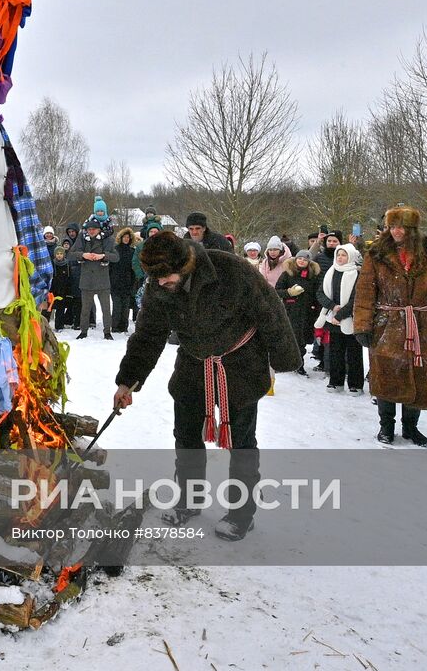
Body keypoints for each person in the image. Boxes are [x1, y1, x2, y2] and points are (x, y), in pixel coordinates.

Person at [113, 230, 302, 541]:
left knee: (241, 444)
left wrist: (283, 358)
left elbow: (270, 310)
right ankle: (189, 500)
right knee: (185, 436)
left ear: (185, 264)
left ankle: (242, 514)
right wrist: (127, 382)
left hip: (239, 364)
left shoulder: (230, 269)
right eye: (155, 278)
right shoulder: (158, 285)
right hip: (193, 362)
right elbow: (148, 335)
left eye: (166, 277)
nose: (161, 284)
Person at [353, 206, 427, 447]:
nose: (395, 231)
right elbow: (365, 291)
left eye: (400, 226)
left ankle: (411, 427)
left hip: (423, 327)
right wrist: (362, 325)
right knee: (387, 375)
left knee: (419, 377)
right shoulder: (376, 253)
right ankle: (386, 426)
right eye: (392, 226)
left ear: (412, 229)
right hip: (386, 326)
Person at [316, 244, 365, 393]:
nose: (340, 258)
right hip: (333, 318)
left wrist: (340, 314)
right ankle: (335, 381)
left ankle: (355, 384)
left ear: (350, 256)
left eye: (344, 255)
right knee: (335, 352)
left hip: (350, 318)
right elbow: (320, 293)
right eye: (339, 255)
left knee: (353, 353)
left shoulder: (356, 273)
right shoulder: (331, 272)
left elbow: (356, 298)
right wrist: (331, 306)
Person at [69, 219, 118, 340]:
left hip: (102, 280)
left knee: (106, 309)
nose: (91, 231)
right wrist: (83, 255)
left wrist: (103, 256)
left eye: (94, 229)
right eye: (89, 229)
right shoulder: (81, 239)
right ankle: (83, 331)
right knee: (85, 309)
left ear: (99, 230)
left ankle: (107, 332)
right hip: (87, 280)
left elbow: (116, 257)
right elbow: (70, 254)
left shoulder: (108, 240)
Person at [276, 249, 319, 376]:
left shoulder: (313, 276)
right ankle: (286, 362)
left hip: (307, 312)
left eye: (305, 260)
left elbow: (317, 294)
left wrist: (315, 308)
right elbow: (277, 290)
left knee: (302, 339)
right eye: (300, 259)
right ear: (295, 260)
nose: (302, 261)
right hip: (290, 311)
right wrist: (288, 293)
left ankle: (299, 363)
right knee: (289, 338)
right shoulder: (287, 274)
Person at [109, 227, 139, 333]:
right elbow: (110, 267)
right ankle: (115, 326)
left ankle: (124, 326)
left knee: (126, 307)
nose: (126, 239)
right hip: (115, 282)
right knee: (117, 306)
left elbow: (134, 268)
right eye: (124, 237)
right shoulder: (115, 250)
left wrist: (133, 282)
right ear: (120, 238)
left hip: (128, 282)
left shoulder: (133, 251)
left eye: (128, 237)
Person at [49, 245, 76, 331]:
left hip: (64, 290)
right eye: (57, 254)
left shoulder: (67, 265)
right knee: (50, 309)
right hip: (54, 290)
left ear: (64, 255)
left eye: (61, 253)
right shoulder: (52, 264)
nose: (59, 255)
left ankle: (59, 326)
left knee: (61, 309)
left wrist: (69, 292)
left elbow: (70, 278)